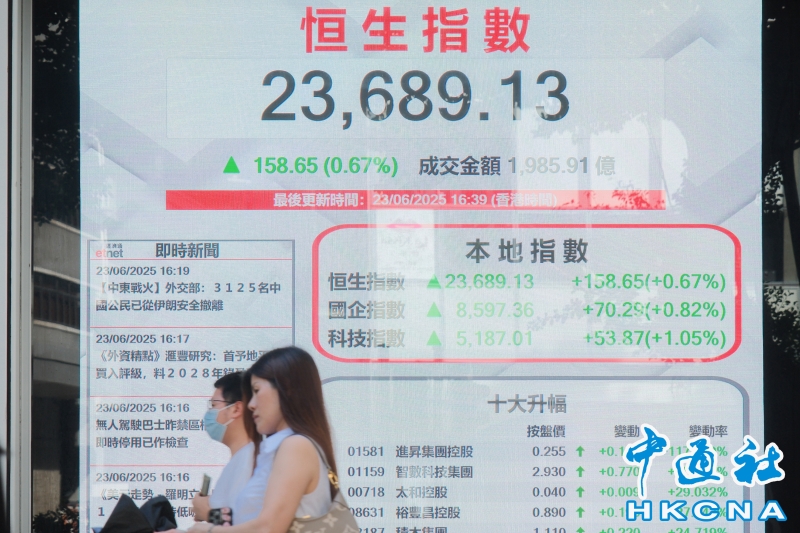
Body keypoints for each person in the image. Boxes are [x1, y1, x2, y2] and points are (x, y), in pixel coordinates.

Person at [181, 347, 337, 533]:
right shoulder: (279, 448)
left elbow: (267, 527)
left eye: (256, 391)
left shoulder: (295, 446)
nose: (251, 404)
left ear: (285, 389)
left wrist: (205, 526)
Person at [191, 372, 255, 522]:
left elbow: (244, 524)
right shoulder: (242, 458)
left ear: (236, 409)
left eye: (214, 406)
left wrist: (207, 513)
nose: (209, 413)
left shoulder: (249, 461)